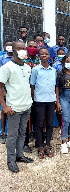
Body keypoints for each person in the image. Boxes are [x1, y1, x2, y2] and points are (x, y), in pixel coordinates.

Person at [0, 41, 33, 173]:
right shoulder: (6, 67)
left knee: (22, 133)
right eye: (18, 48)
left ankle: (19, 155)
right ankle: (11, 160)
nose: (21, 50)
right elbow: (0, 86)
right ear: (13, 50)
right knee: (12, 136)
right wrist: (4, 106)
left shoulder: (27, 67)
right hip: (14, 108)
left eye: (23, 48)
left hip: (26, 106)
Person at [30, 47, 56, 159]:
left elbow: (55, 86)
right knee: (39, 124)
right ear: (39, 56)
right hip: (39, 100)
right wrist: (33, 98)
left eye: (46, 54)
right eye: (42, 54)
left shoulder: (53, 70)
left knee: (50, 123)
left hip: (51, 100)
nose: (44, 56)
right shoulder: (35, 70)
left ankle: (48, 144)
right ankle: (40, 145)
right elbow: (32, 85)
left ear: (49, 56)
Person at [23, 40, 40, 153]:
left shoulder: (39, 60)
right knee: (25, 118)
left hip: (37, 93)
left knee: (36, 116)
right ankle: (24, 143)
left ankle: (36, 138)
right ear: (26, 47)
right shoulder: (22, 60)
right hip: (25, 93)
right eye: (30, 46)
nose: (32, 48)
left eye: (35, 46)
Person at [0, 41, 13, 144]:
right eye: (7, 45)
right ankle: (3, 132)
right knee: (4, 110)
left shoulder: (17, 58)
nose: (9, 47)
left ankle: (12, 132)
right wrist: (2, 89)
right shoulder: (2, 58)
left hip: (14, 88)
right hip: (4, 87)